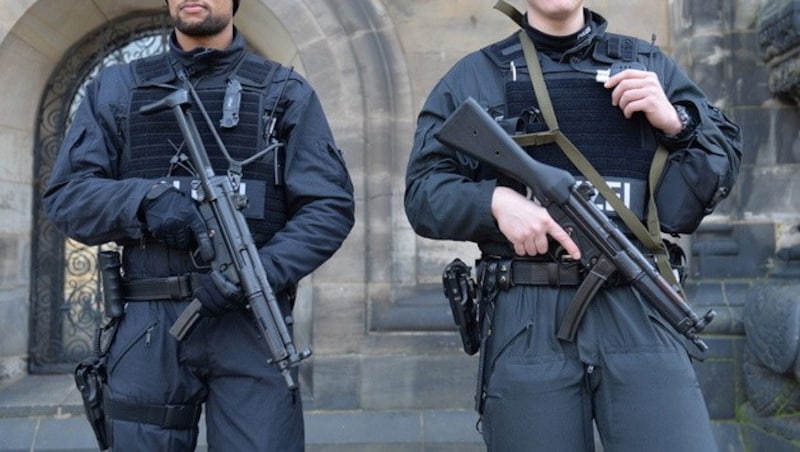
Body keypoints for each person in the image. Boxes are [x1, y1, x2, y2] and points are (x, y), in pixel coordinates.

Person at [404, 1, 741, 451]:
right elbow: (423, 191)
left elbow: (697, 193)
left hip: (640, 303)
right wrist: (494, 202)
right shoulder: (475, 77)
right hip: (526, 313)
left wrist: (677, 124)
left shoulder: (648, 66)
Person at [43, 0, 355, 450]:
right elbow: (68, 196)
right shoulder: (117, 87)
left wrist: (257, 273)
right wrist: (144, 201)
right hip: (150, 324)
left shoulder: (285, 91)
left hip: (250, 320)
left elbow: (328, 207)